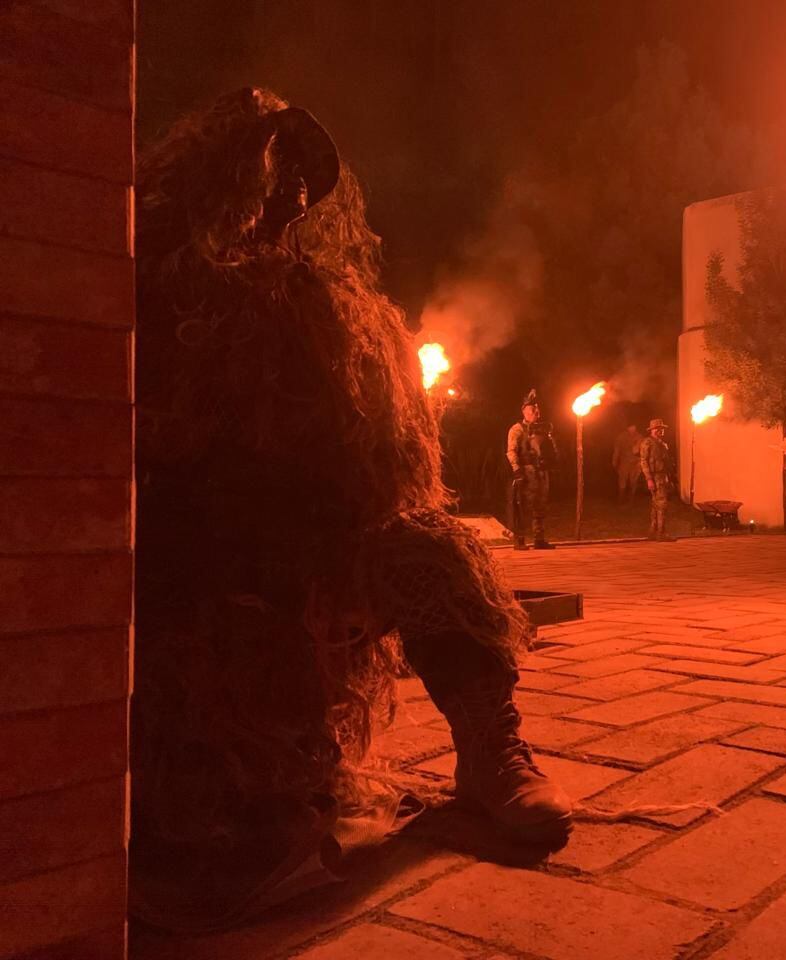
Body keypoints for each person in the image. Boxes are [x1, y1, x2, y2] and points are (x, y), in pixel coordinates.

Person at [132, 89, 571, 925]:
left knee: (430, 546)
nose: (292, 197)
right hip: (198, 559)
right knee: (223, 814)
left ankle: (490, 751)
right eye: (274, 171)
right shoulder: (164, 288)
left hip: (311, 554)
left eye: (304, 183)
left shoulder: (330, 306)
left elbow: (381, 465)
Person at [507, 390, 557, 550]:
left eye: (537, 409)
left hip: (541, 471)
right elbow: (511, 451)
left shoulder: (543, 429)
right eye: (532, 410)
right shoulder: (517, 429)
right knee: (523, 506)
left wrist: (550, 460)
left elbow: (549, 449)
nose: (536, 412)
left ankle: (539, 538)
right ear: (524, 412)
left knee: (540, 506)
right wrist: (517, 470)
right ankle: (519, 540)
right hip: (527, 471)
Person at [639, 418, 675, 541]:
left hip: (662, 476)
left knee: (656, 505)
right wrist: (649, 479)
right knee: (662, 504)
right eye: (658, 429)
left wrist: (670, 477)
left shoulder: (662, 444)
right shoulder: (647, 443)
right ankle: (661, 533)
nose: (660, 430)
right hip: (655, 477)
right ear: (652, 430)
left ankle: (653, 531)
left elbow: (666, 462)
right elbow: (644, 461)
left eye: (662, 429)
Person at [612, 424, 643, 503]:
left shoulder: (639, 437)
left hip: (636, 463)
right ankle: (621, 499)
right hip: (624, 462)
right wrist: (614, 461)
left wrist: (641, 463)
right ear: (627, 428)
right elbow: (617, 450)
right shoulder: (621, 437)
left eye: (633, 426)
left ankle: (631, 500)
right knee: (622, 481)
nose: (632, 428)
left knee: (634, 482)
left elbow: (643, 451)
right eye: (630, 427)